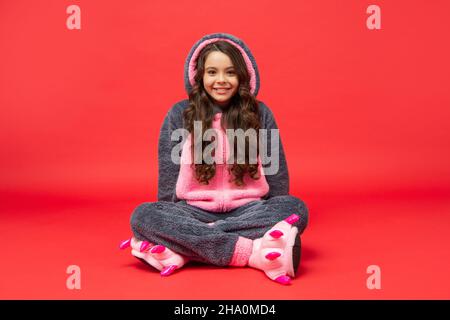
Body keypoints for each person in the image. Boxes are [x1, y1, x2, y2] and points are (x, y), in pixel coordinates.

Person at [119, 33, 309, 285]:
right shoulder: (180, 115)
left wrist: (178, 235)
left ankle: (188, 248)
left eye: (230, 72)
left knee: (295, 209)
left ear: (242, 76)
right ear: (199, 76)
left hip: (250, 211)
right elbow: (169, 172)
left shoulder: (260, 113)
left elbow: (276, 171)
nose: (221, 80)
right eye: (212, 72)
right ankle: (250, 252)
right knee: (143, 216)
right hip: (193, 212)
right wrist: (171, 216)